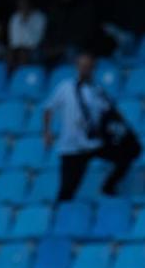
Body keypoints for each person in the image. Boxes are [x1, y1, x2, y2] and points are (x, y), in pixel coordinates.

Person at [43, 52, 136, 203]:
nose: (84, 70)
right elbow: (49, 108)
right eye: (82, 66)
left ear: (93, 69)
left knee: (126, 155)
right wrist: (47, 132)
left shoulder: (97, 90)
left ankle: (108, 186)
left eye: (88, 67)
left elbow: (110, 112)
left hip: (94, 143)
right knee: (67, 190)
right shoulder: (65, 87)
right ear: (77, 67)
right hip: (72, 147)